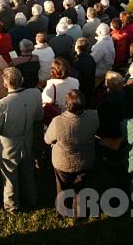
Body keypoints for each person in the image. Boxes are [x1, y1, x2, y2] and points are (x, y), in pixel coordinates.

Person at [0, 67, 43, 214]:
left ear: (5, 85)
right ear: (22, 80)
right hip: (27, 141)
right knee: (28, 172)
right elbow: (39, 116)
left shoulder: (1, 105)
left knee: (10, 177)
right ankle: (32, 198)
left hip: (8, 148)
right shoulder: (35, 94)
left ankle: (12, 206)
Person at [44, 89, 99, 217]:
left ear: (67, 105)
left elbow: (47, 139)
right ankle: (79, 211)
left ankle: (64, 210)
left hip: (63, 162)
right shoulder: (94, 116)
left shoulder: (58, 121)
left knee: (63, 187)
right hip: (85, 159)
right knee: (81, 187)